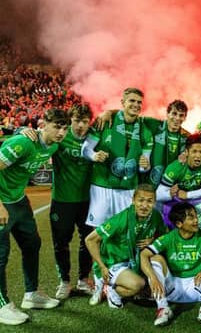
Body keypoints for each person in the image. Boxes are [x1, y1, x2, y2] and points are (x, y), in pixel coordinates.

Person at [0, 108, 68, 325]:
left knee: (32, 244)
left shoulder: (54, 146)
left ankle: (31, 295)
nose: (61, 132)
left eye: (65, 128)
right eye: (57, 126)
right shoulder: (24, 143)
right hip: (2, 201)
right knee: (1, 255)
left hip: (19, 200)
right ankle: (1, 305)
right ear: (43, 124)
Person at [140, 202, 201, 326]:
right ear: (179, 224)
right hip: (171, 289)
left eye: (196, 216)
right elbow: (144, 255)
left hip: (198, 287)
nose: (196, 220)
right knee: (155, 258)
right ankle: (163, 308)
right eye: (191, 218)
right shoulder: (169, 238)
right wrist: (153, 277)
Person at [85, 184, 167, 308]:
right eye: (141, 200)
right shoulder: (120, 220)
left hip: (135, 260)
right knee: (138, 284)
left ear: (155, 202)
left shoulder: (155, 216)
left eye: (150, 201)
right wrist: (102, 266)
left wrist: (153, 240)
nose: (145, 205)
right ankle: (111, 290)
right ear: (133, 200)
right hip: (114, 262)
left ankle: (127, 283)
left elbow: (165, 236)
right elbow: (90, 240)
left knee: (153, 276)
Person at [82, 87, 154, 227]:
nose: (136, 105)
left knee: (124, 231)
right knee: (96, 231)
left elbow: (144, 166)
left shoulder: (145, 131)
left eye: (139, 102)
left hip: (128, 190)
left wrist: (145, 166)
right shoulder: (105, 122)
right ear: (123, 102)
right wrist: (94, 155)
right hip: (102, 186)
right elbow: (85, 149)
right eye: (132, 101)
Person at [50, 104, 96, 299]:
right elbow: (42, 135)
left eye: (84, 122)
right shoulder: (60, 136)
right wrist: (26, 130)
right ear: (70, 121)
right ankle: (65, 282)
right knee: (61, 242)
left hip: (88, 200)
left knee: (87, 240)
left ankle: (84, 279)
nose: (80, 126)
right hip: (62, 199)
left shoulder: (95, 136)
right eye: (76, 121)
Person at [156, 134, 201, 206]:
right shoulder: (175, 168)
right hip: (180, 205)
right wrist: (169, 194)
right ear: (186, 152)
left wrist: (187, 195)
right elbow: (158, 195)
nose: (198, 156)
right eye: (194, 151)